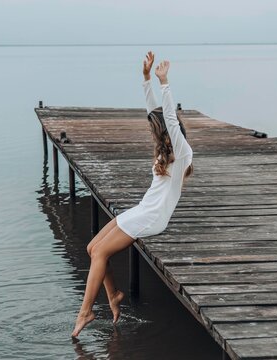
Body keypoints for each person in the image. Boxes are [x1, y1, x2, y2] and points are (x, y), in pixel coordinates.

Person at [71, 51, 194, 337]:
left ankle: (86, 311)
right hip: (143, 209)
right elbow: (156, 115)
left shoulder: (183, 151)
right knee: (93, 248)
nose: (156, 132)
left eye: (158, 129)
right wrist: (146, 78)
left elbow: (170, 121)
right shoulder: (165, 145)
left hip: (153, 217)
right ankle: (113, 296)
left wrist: (165, 83)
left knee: (100, 252)